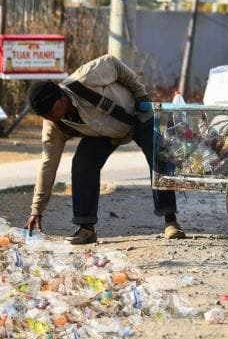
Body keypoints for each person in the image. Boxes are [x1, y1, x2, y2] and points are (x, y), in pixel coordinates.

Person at [24, 54, 186, 245]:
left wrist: (140, 94)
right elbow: (48, 164)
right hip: (102, 133)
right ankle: (86, 228)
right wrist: (37, 210)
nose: (49, 118)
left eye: (50, 112)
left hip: (136, 114)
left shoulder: (85, 78)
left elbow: (114, 64)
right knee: (82, 165)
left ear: (60, 98)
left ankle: (170, 220)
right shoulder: (54, 124)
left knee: (158, 156)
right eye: (45, 116)